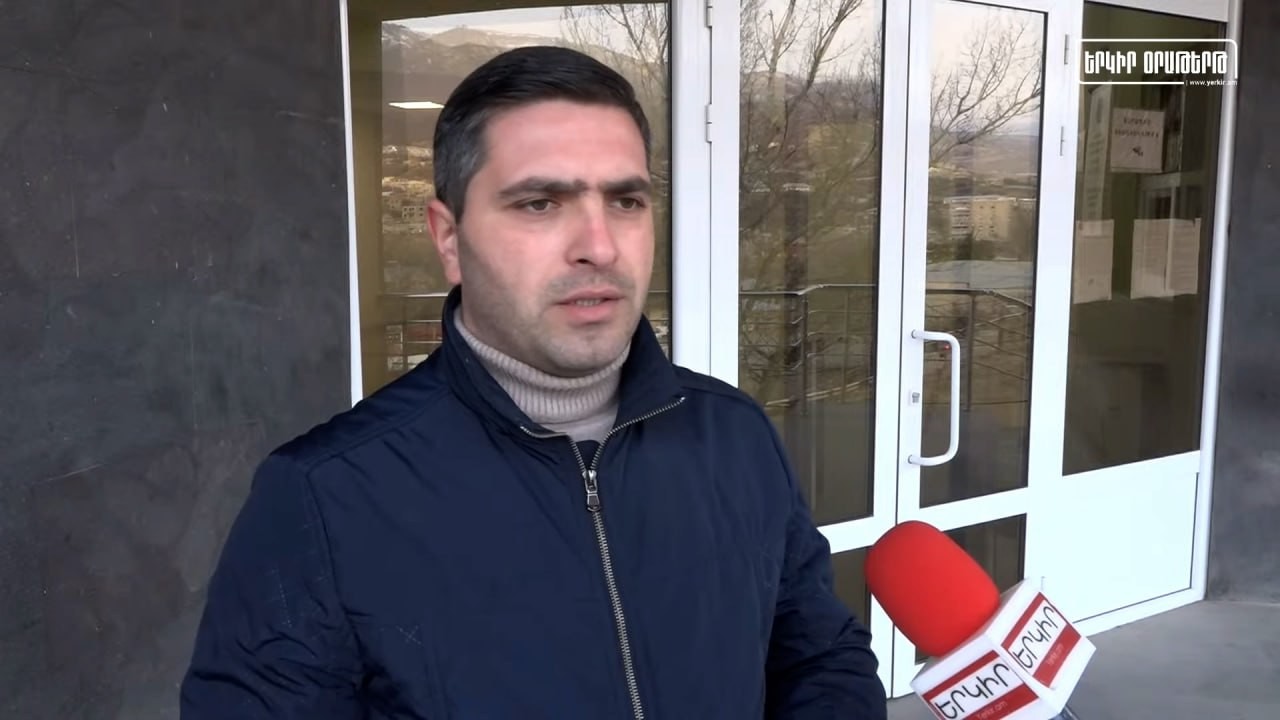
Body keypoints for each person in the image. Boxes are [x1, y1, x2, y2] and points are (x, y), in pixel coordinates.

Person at [180, 45, 887, 719]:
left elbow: (819, 658)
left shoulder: (733, 434)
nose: (599, 247)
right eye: (540, 203)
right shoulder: (325, 497)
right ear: (449, 239)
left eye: (626, 201)